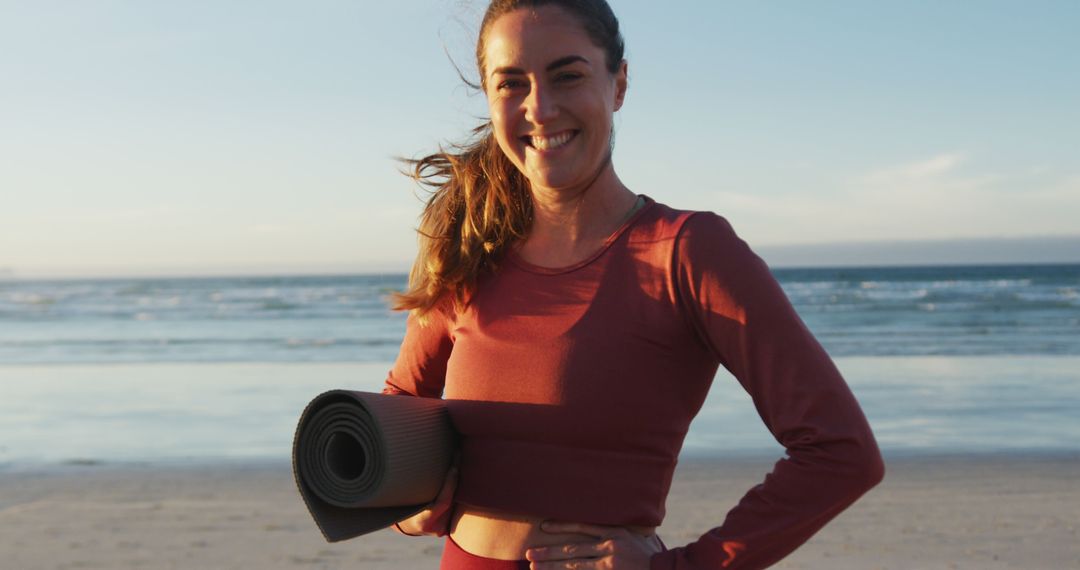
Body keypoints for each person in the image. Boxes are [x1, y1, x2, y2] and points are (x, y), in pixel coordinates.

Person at [382, 1, 885, 568]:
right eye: (511, 84)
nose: (540, 109)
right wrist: (404, 502)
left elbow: (842, 451)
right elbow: (398, 408)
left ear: (619, 83)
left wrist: (683, 566)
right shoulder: (469, 251)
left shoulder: (687, 251)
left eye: (567, 76)